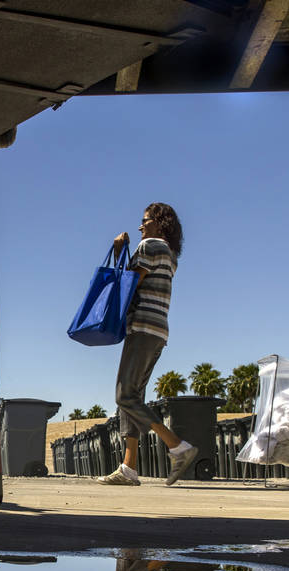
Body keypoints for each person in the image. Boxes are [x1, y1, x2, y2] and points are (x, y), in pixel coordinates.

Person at [96, 203, 198, 487]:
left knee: (124, 396)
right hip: (158, 331)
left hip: (141, 328)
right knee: (133, 398)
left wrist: (118, 252)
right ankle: (128, 469)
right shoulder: (170, 253)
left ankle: (178, 447)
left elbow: (130, 284)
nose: (140, 226)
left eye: (145, 220)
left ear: (158, 222)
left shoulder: (149, 246)